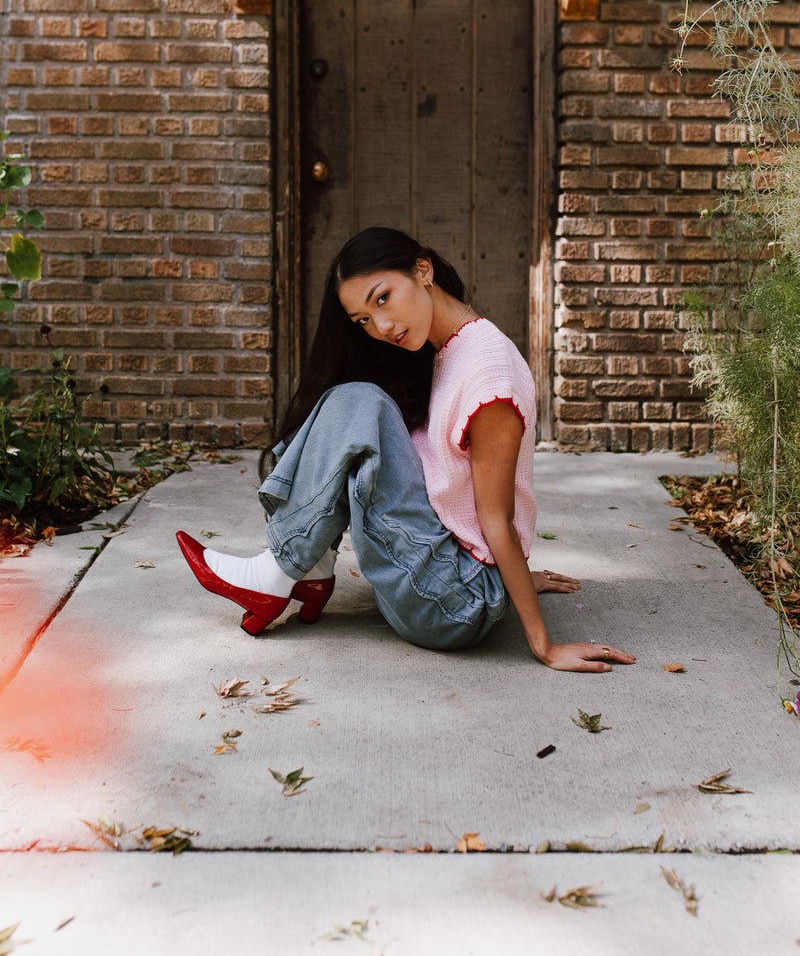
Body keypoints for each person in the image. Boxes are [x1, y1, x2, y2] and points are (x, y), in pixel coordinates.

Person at [176, 227, 635, 673]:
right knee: (357, 401)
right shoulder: (449, 348)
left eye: (382, 298)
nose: (381, 326)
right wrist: (514, 583)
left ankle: (278, 574)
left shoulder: (488, 374)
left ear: (422, 270)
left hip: (452, 605)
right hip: (450, 579)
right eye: (363, 320)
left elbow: (496, 519)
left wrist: (544, 644)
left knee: (362, 403)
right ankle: (306, 570)